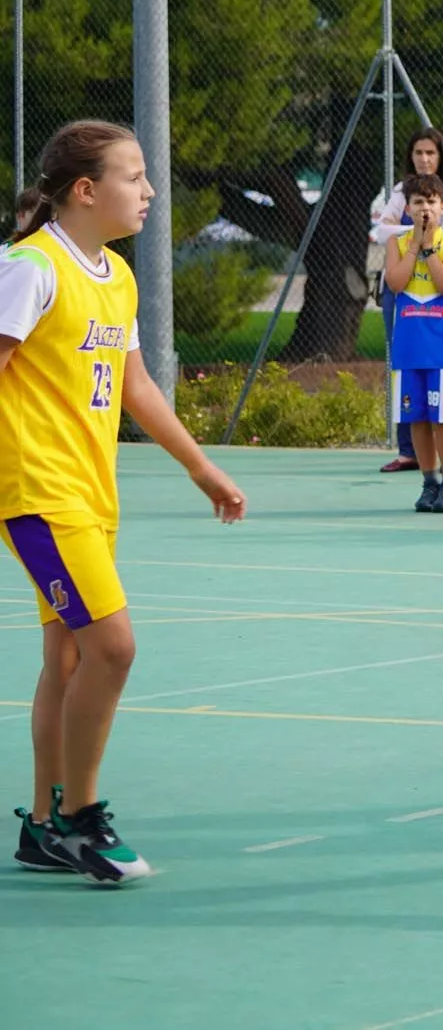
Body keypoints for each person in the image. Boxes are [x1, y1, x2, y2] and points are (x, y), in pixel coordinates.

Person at [3, 120, 246, 884]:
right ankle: (81, 815)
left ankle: (42, 826)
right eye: (134, 176)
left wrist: (200, 468)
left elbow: (137, 386)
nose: (148, 191)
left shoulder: (115, 275)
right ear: (85, 190)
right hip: (37, 493)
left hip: (90, 491)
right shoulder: (31, 267)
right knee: (114, 645)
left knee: (68, 656)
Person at [370, 129, 443, 474]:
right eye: (418, 152)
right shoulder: (402, 191)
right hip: (407, 308)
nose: (424, 159)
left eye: (430, 152)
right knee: (408, 383)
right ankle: (413, 457)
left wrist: (421, 240)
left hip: (440, 306)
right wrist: (413, 236)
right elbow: (381, 233)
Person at [383, 173, 443, 514]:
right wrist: (415, 244)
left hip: (441, 347)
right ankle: (429, 481)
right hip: (407, 346)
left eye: (431, 202)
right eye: (418, 202)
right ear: (407, 208)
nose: (425, 209)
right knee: (415, 417)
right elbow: (396, 282)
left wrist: (429, 247)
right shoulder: (397, 244)